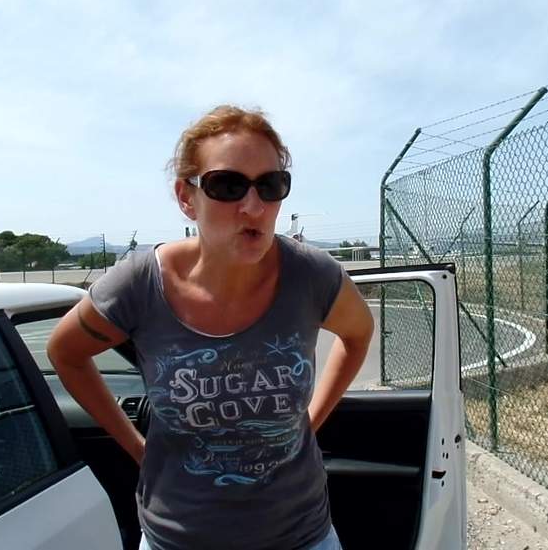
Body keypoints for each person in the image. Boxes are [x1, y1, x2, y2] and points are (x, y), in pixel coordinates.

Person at [47, 105, 374, 550]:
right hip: (177, 538)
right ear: (187, 197)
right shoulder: (141, 285)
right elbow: (65, 352)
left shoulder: (311, 276)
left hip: (301, 536)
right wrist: (138, 448)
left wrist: (311, 420)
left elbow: (358, 334)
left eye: (271, 185)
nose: (254, 206)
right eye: (227, 185)